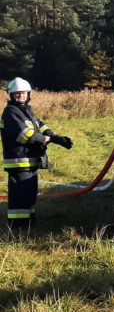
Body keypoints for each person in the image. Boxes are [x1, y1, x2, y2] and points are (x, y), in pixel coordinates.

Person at [2, 78, 73, 227]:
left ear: (28, 95)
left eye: (23, 93)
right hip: (19, 161)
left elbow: (40, 125)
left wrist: (56, 137)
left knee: (29, 193)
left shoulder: (27, 111)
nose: (20, 96)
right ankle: (18, 224)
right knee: (20, 194)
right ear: (11, 95)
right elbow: (24, 134)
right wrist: (45, 139)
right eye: (17, 94)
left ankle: (29, 221)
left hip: (30, 160)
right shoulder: (10, 112)